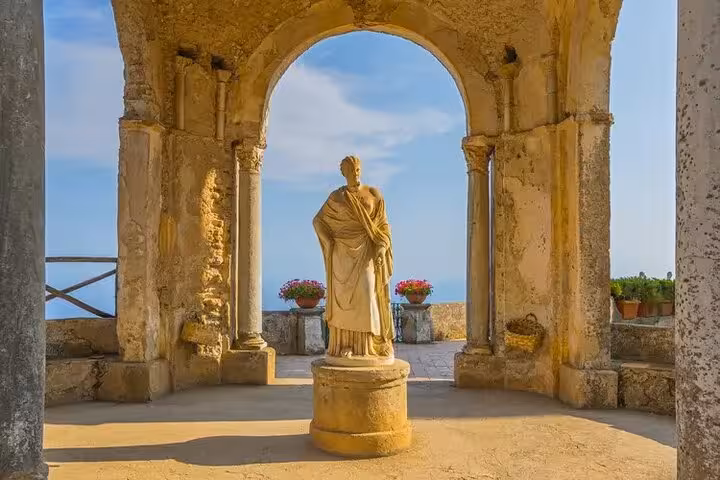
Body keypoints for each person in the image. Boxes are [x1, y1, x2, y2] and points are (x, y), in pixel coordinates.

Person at [313, 155, 394, 363]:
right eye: (351, 170)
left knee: (367, 295)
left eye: (358, 169)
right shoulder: (336, 197)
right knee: (343, 303)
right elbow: (318, 221)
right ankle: (344, 345)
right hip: (341, 254)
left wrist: (382, 247)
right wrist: (329, 242)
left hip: (366, 250)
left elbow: (383, 226)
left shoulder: (374, 193)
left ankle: (369, 347)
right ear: (344, 173)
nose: (356, 173)